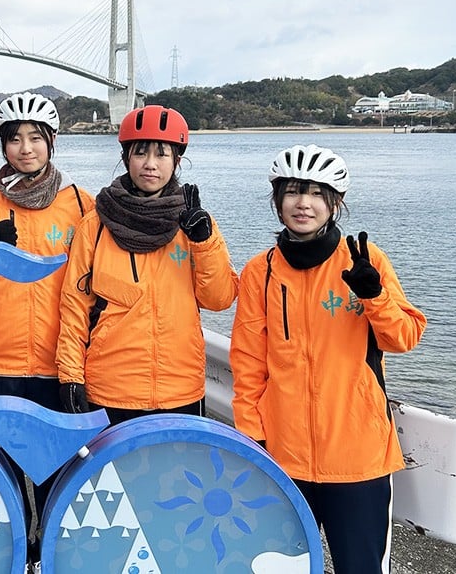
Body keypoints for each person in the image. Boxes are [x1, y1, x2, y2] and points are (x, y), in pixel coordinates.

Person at [229, 144, 426, 574]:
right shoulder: (258, 272)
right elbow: (247, 364)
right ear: (278, 200)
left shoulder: (365, 260)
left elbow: (404, 337)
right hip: (284, 456)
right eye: (294, 191)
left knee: (362, 567)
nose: (304, 203)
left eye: (318, 193)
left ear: (335, 203)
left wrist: (374, 297)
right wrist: (253, 437)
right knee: (278, 566)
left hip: (358, 456)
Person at [0, 92, 94, 569]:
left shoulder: (79, 203)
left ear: (52, 143)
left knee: (59, 472)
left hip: (59, 362)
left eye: (35, 138)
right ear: (3, 146)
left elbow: (97, 277)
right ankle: (16, 556)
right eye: (14, 140)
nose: (25, 148)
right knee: (2, 472)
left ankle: (53, 554)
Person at [55, 105, 238, 424]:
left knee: (178, 475)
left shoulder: (195, 226)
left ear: (177, 160)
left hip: (179, 389)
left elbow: (219, 299)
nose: (150, 164)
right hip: (111, 389)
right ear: (127, 158)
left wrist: (204, 243)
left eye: (162, 154)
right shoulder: (95, 226)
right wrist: (71, 375)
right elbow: (74, 307)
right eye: (141, 153)